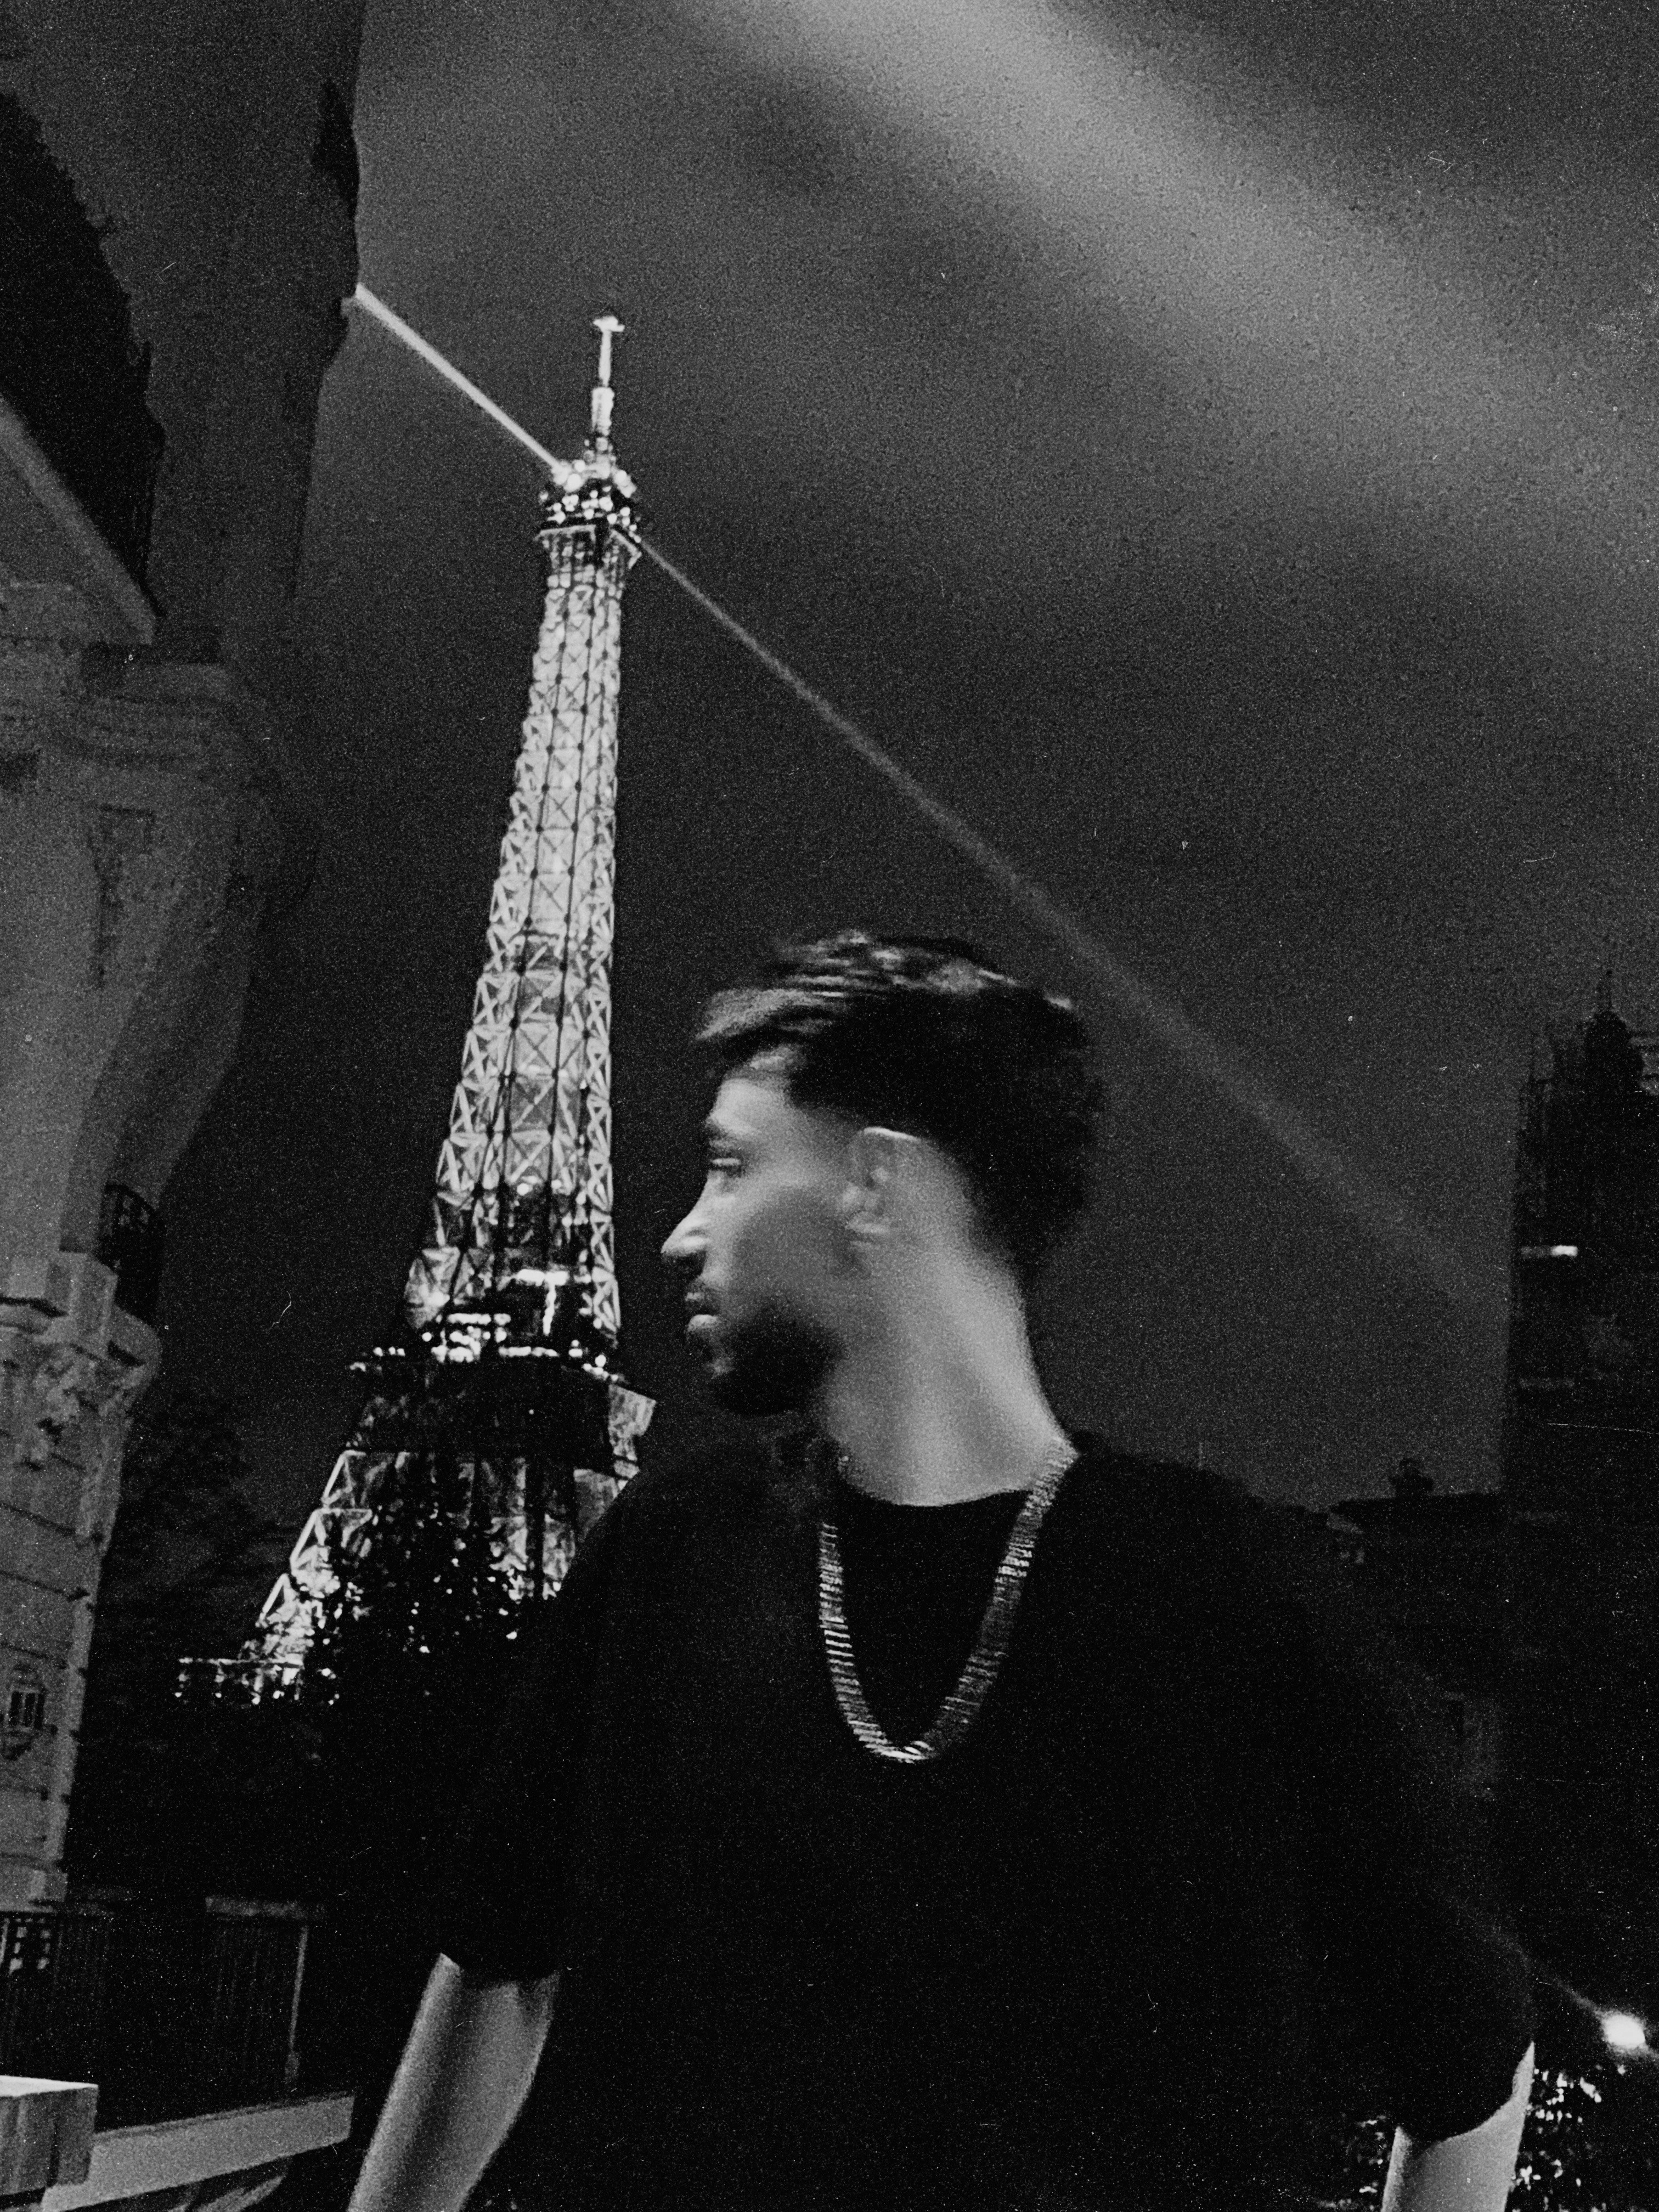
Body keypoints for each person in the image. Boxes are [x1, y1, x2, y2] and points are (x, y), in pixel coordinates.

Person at [348, 932, 1535, 2212]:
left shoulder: (1238, 1593)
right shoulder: (671, 1551)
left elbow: (1471, 2061)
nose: (684, 1233)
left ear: (876, 1182)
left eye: (733, 1166)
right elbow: (498, 1964)